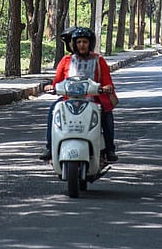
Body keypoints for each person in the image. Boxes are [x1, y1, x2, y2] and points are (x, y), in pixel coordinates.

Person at [39, 26, 118, 163]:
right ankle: (50, 148)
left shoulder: (99, 60)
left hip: (93, 100)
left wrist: (107, 88)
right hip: (68, 100)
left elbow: (107, 82)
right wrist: (50, 86)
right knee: (53, 110)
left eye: (85, 42)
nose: (82, 45)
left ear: (90, 44)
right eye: (79, 42)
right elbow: (57, 81)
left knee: (106, 115)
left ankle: (109, 149)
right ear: (74, 44)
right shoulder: (66, 60)